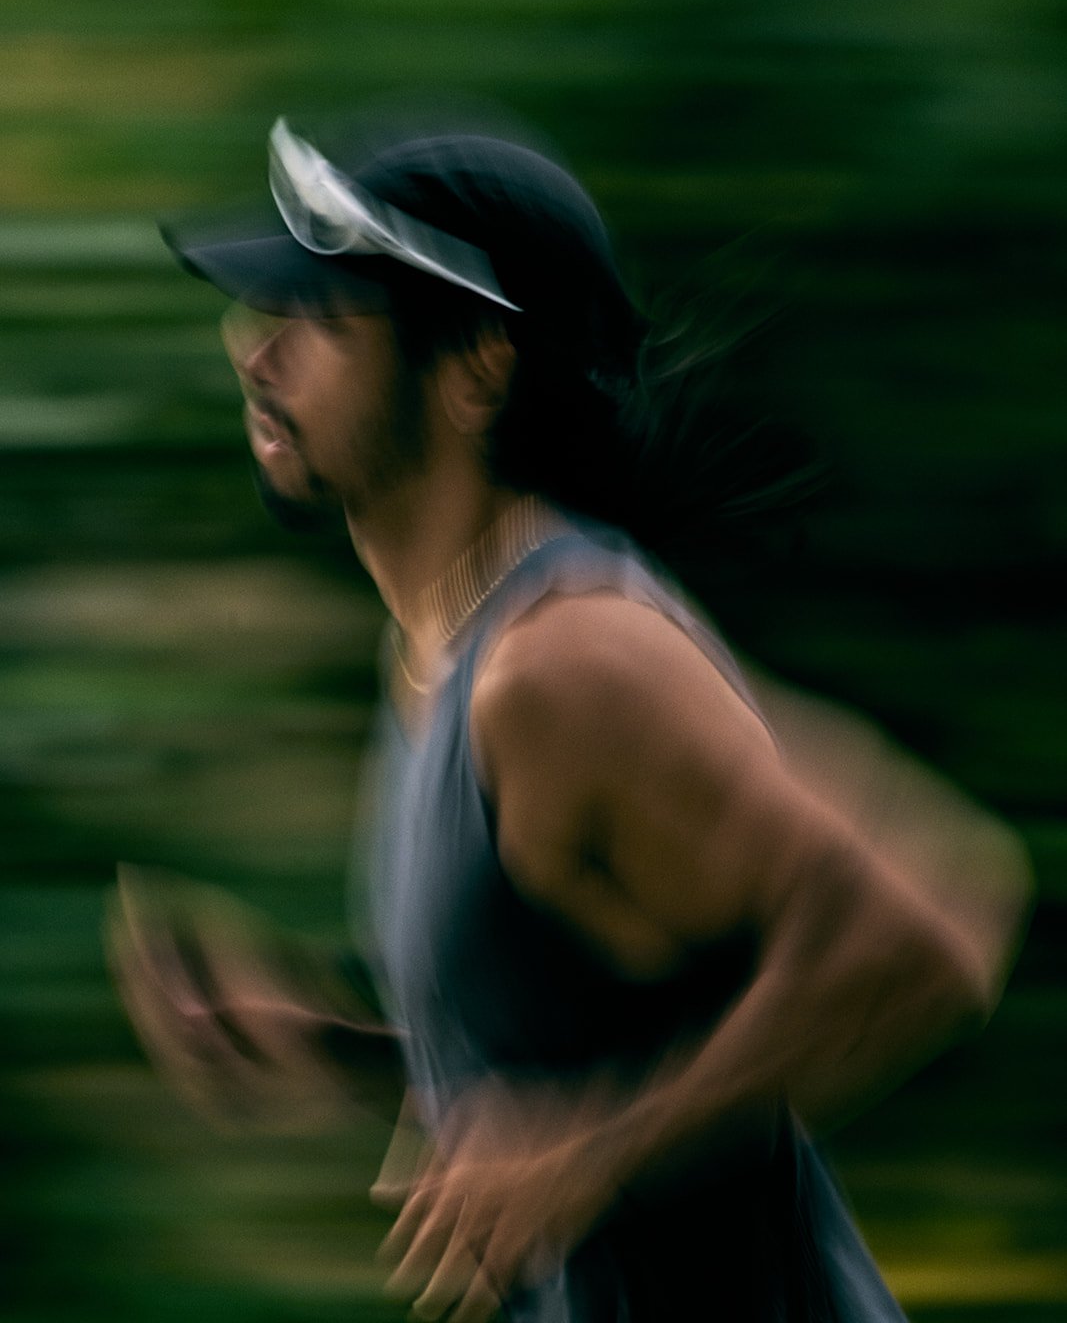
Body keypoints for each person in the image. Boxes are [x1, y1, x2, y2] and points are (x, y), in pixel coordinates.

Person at [112, 115, 1024, 1323]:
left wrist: (586, 1158)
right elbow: (588, 1046)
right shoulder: (431, 651)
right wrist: (337, 1041)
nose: (254, 350)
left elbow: (928, 941)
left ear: (477, 367)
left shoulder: (561, 663)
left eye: (323, 320)